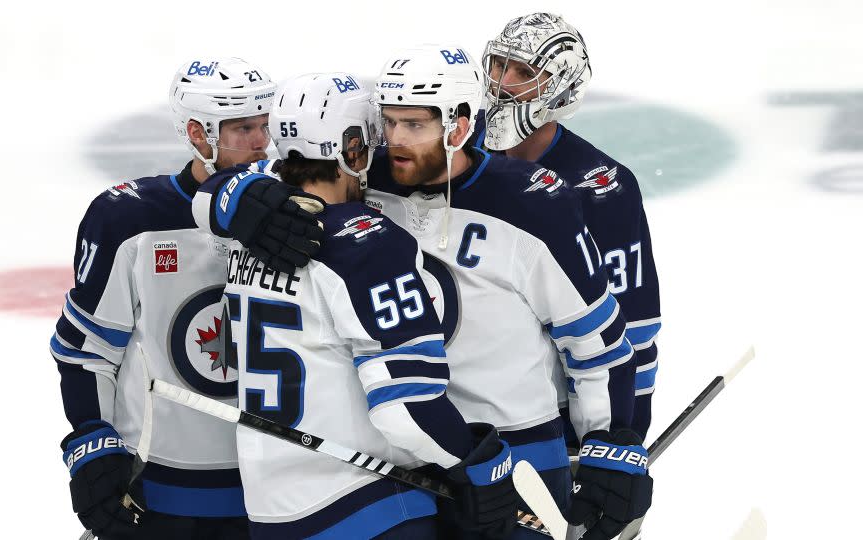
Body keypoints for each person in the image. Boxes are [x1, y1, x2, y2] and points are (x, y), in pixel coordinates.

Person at [197, 46, 653, 540]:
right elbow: (216, 192)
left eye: (414, 125)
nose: (394, 140)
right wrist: (241, 200)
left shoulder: (535, 205)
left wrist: (611, 443)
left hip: (515, 462)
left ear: (458, 127)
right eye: (387, 122)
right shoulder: (362, 180)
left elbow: (597, 343)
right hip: (409, 462)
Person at [195, 72, 517, 540]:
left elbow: (218, 191)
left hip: (270, 510)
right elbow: (405, 409)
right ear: (352, 150)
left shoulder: (250, 238)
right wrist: (477, 461)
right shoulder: (368, 243)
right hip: (367, 506)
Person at [51, 57, 282, 540]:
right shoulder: (129, 220)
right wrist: (93, 447)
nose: (262, 142)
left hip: (278, 490)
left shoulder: (294, 215)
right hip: (157, 490)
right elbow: (86, 352)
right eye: (243, 128)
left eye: (266, 124)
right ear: (199, 134)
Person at [478, 12, 662, 445]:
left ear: (561, 86)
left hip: (547, 417)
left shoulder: (601, 188)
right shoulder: (453, 149)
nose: (503, 82)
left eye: (524, 71)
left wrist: (620, 438)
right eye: (499, 64)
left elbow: (629, 329)